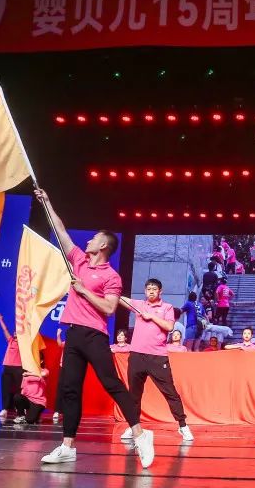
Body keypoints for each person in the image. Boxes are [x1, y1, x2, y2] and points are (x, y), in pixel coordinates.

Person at [34, 189, 153, 468]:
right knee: (70, 390)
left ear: (103, 246)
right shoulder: (79, 260)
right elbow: (61, 231)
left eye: (93, 239)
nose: (87, 241)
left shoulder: (112, 276)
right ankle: (67, 447)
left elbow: (110, 308)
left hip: (94, 335)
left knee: (112, 383)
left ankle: (140, 434)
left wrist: (84, 291)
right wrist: (47, 202)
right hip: (74, 333)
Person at [117, 278, 194, 442]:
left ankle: (183, 425)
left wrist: (151, 316)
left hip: (157, 357)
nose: (151, 291)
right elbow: (120, 298)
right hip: (137, 356)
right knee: (134, 394)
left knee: (170, 392)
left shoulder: (167, 308)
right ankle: (133, 427)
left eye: (154, 289)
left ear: (160, 291)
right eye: (148, 289)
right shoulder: (139, 305)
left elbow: (169, 327)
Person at [0, 312, 23, 421]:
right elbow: (5, 330)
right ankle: (5, 409)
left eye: (18, 332)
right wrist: (0, 319)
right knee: (5, 389)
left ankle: (20, 408)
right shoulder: (11, 341)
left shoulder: (24, 344)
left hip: (18, 368)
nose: (15, 333)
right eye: (15, 331)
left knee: (19, 390)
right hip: (7, 367)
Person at [14, 360, 49, 425]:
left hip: (38, 401)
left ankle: (36, 416)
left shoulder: (44, 371)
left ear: (41, 361)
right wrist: (20, 405)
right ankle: (21, 416)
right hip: (28, 399)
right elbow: (23, 388)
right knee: (17, 397)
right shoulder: (26, 373)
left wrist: (29, 374)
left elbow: (42, 374)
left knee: (30, 420)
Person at [52, 328, 66, 424]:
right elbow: (60, 344)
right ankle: (57, 411)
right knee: (60, 388)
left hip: (73, 368)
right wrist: (58, 335)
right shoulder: (67, 343)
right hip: (63, 367)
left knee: (69, 389)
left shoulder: (77, 343)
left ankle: (66, 411)